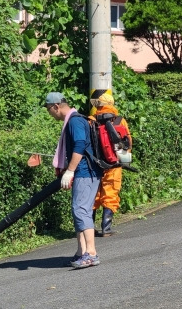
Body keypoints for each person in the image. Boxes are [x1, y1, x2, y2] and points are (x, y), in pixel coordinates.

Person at [45, 92, 103, 269]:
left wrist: (69, 170)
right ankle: (81, 251)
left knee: (81, 210)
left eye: (49, 110)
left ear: (56, 106)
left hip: (86, 172)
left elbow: (79, 145)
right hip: (84, 172)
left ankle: (91, 253)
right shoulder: (73, 120)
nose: (50, 114)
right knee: (77, 210)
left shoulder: (75, 121)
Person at [89, 91, 131, 237]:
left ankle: (90, 228)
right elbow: (128, 143)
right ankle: (106, 228)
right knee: (111, 193)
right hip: (114, 164)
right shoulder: (119, 120)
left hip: (94, 164)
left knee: (93, 194)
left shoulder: (90, 120)